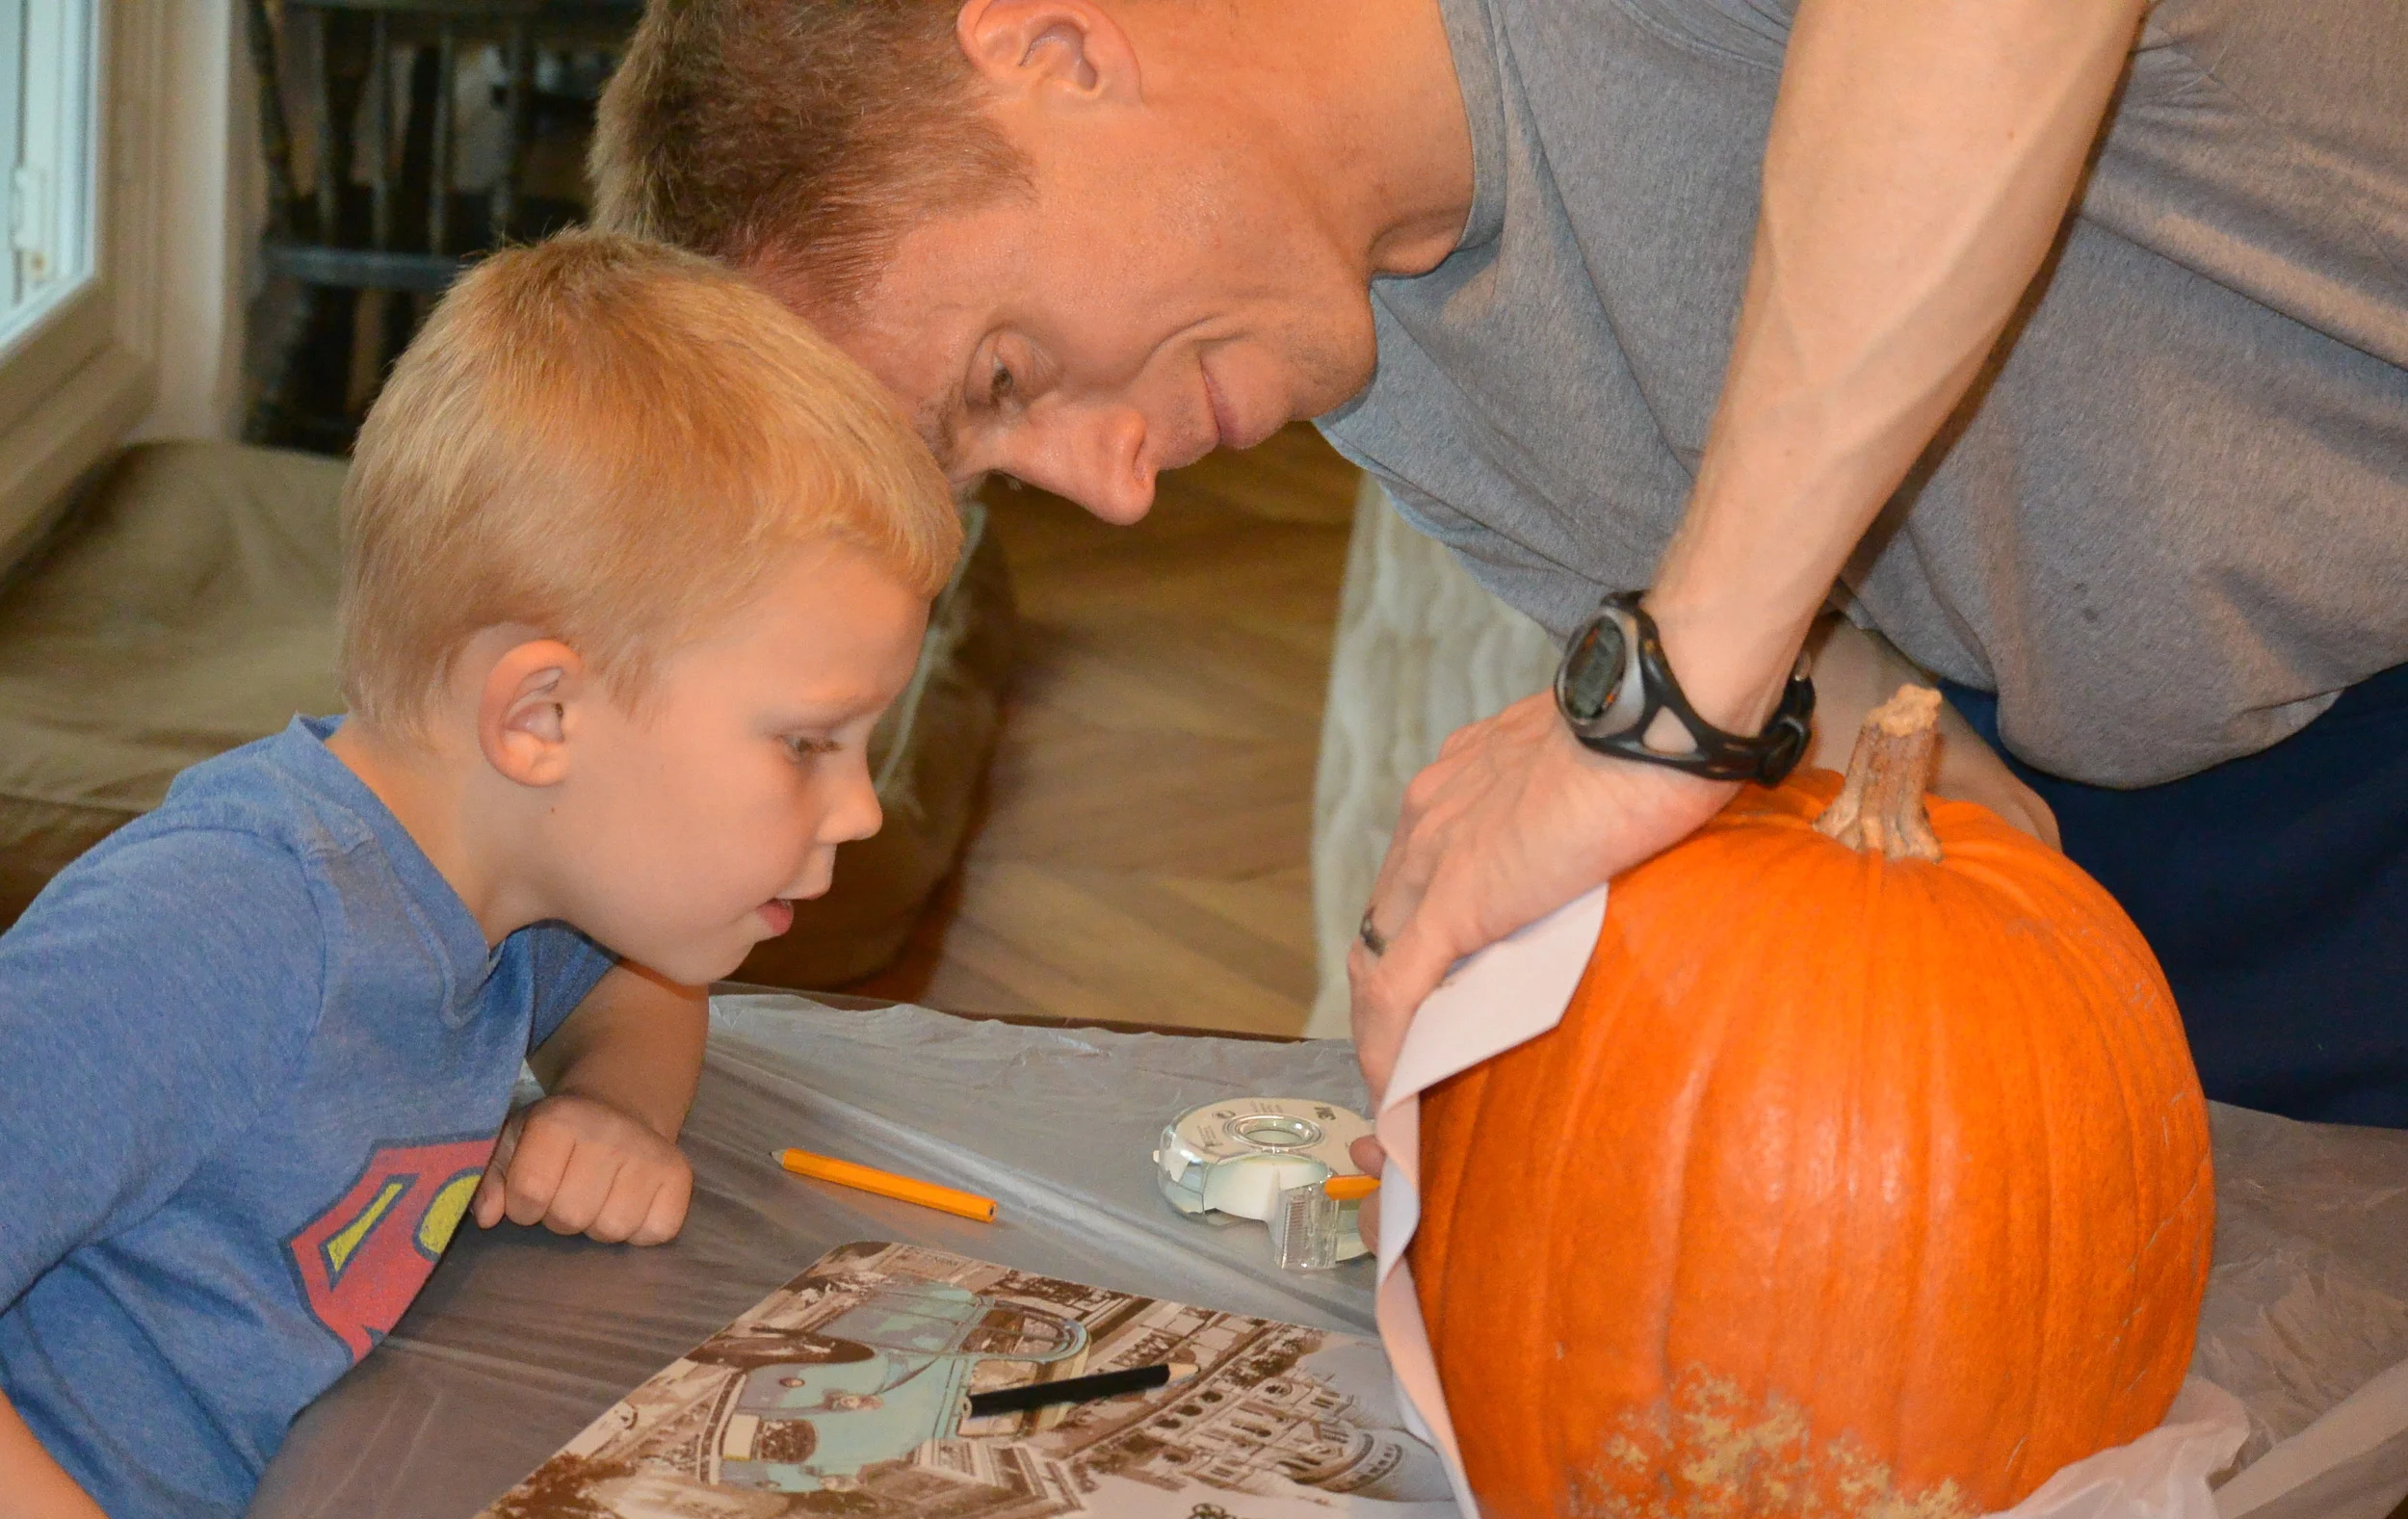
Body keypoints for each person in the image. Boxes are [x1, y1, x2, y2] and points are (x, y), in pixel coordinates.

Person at [590, 0, 2407, 1122]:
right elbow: (1866, 697)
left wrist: (1668, 698)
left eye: (1008, 377)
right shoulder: (1355, 366)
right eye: (994, 462)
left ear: (1055, 51)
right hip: (2201, 816)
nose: (1112, 485)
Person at [0, 233, 960, 1519]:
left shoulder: (510, 871)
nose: (861, 811)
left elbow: (638, 980)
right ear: (541, 716)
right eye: (809, 741)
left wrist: (617, 1105)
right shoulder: (229, 927)